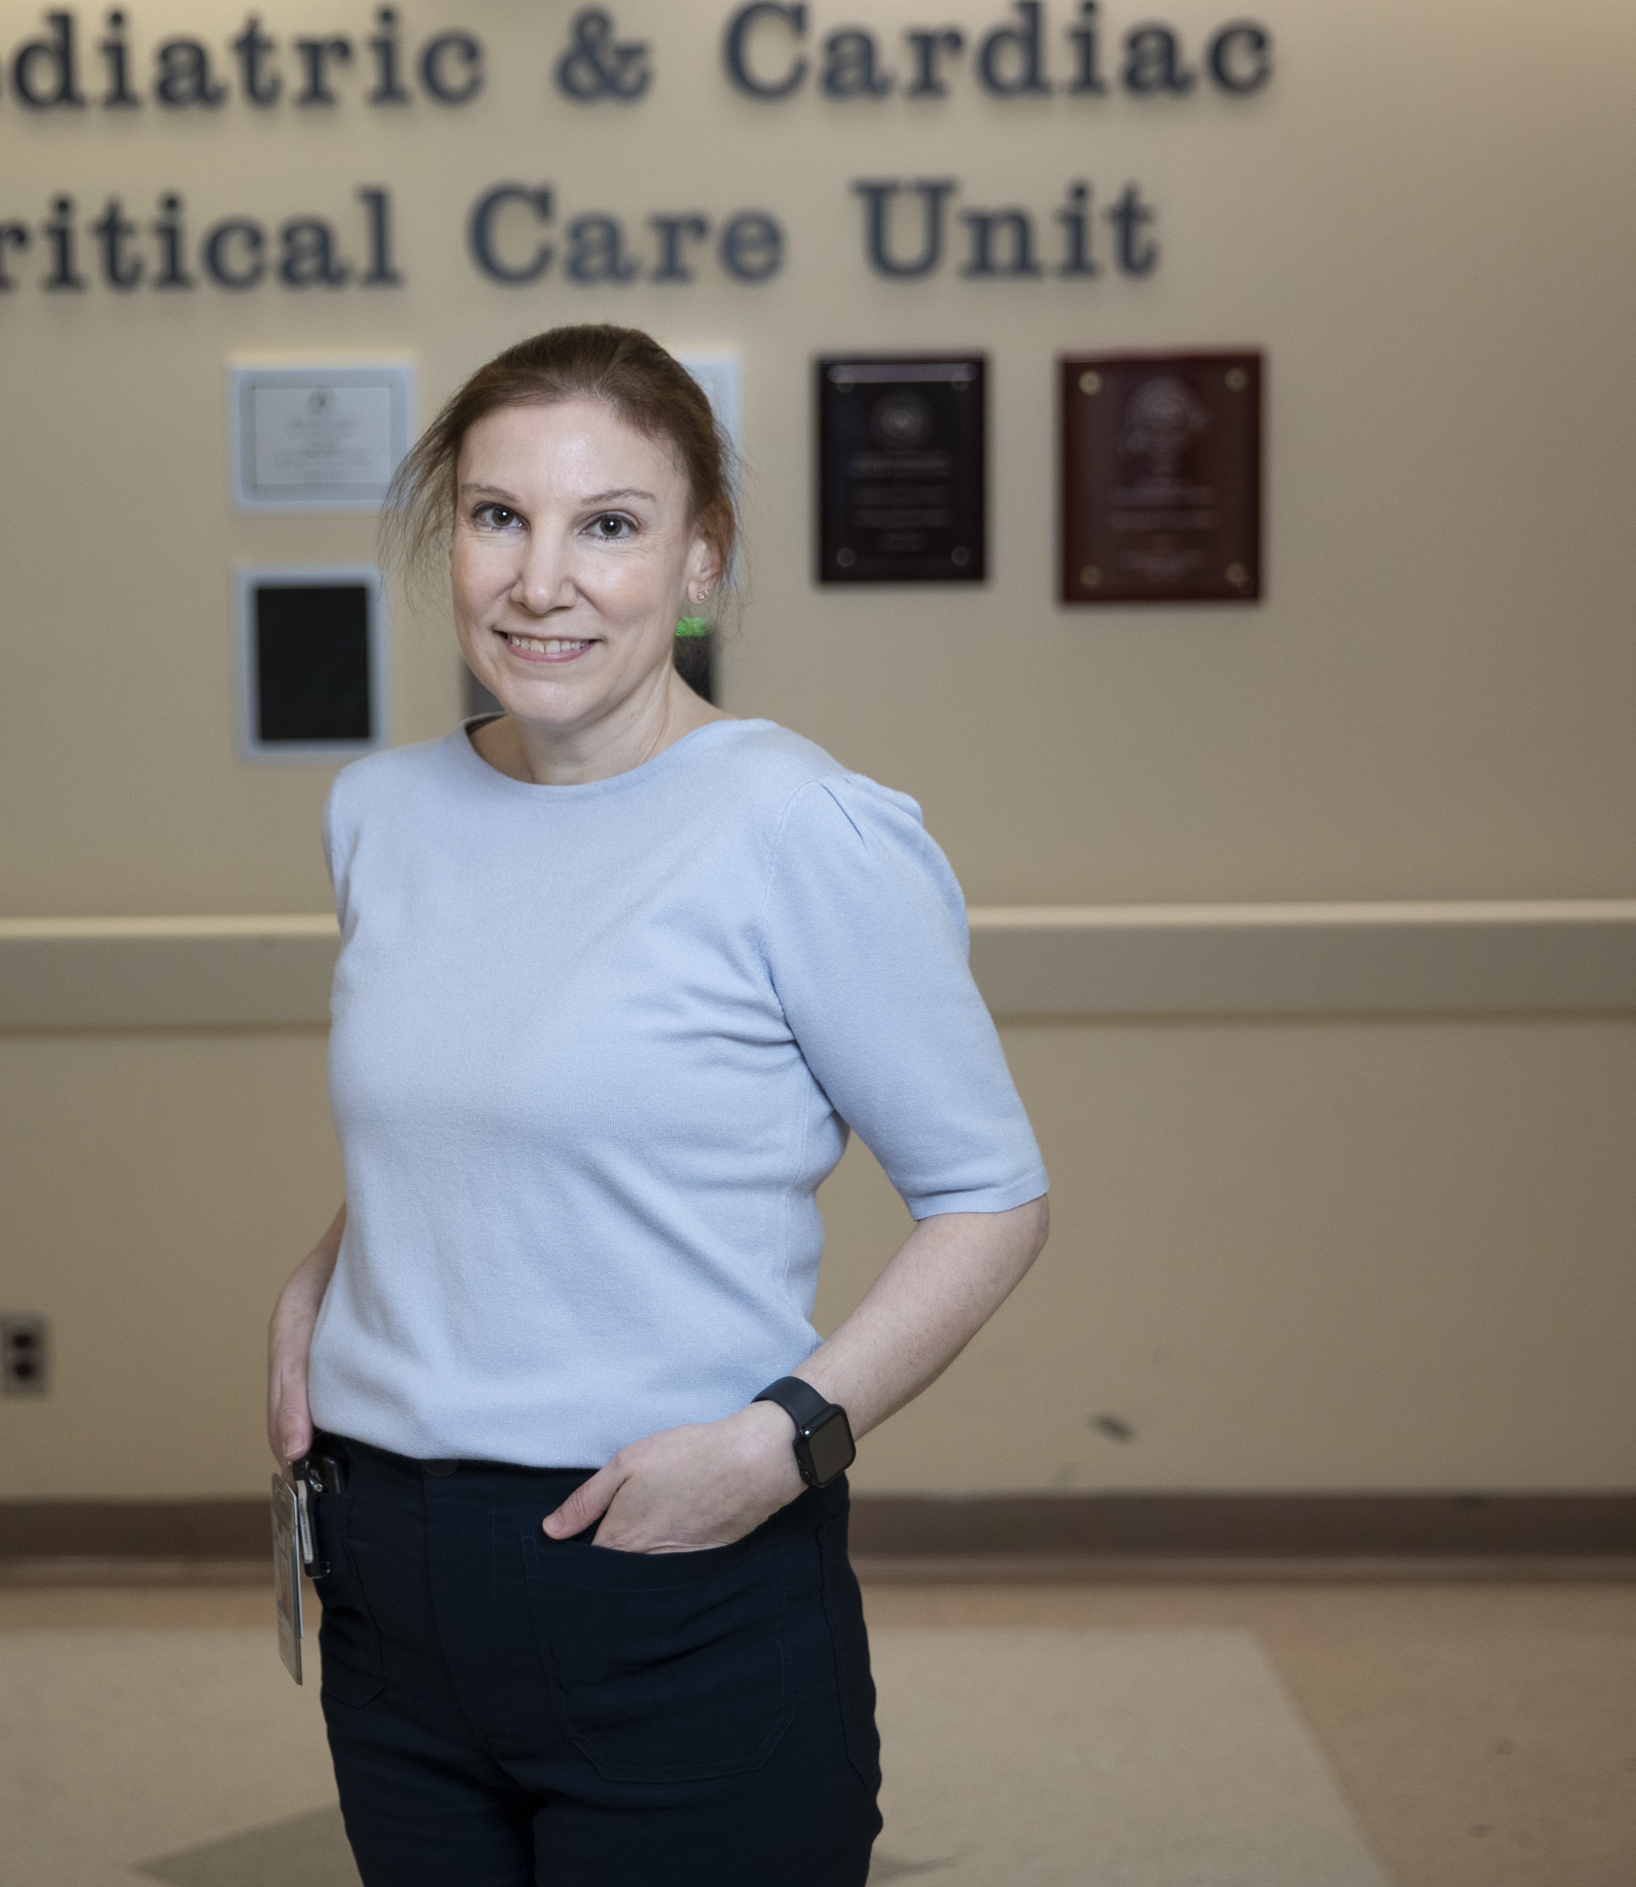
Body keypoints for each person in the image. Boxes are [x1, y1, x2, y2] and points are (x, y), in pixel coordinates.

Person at [264, 323, 1050, 1885]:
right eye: (500, 517)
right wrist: (318, 1285)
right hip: (390, 1583)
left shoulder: (800, 828)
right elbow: (472, 1119)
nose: (541, 579)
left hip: (676, 1572)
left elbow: (990, 1197)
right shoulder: (383, 814)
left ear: (702, 561)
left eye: (608, 525)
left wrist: (787, 1442)